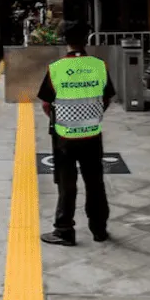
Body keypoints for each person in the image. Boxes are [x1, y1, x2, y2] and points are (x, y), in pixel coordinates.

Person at [37, 21, 114, 245]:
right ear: (86, 39)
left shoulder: (56, 68)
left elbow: (46, 104)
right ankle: (99, 229)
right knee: (95, 181)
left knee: (66, 184)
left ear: (64, 40)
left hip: (65, 137)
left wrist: (64, 118)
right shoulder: (99, 66)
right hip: (92, 134)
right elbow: (106, 99)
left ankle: (64, 230)